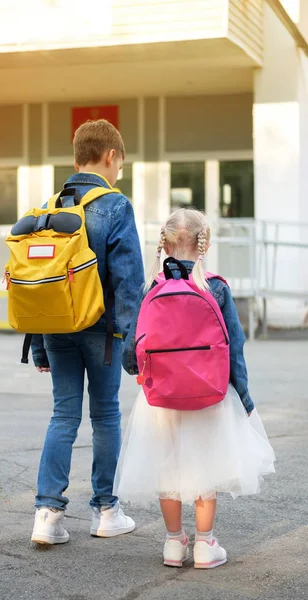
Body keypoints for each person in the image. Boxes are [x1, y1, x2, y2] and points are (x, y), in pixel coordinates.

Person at [116, 208, 275, 568]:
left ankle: (174, 542)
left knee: (166, 468)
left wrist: (135, 369)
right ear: (205, 243)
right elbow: (234, 348)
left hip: (161, 398)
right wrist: (245, 398)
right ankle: (205, 544)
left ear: (165, 243)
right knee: (205, 467)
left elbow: (131, 350)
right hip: (209, 396)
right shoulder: (215, 287)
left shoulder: (151, 288)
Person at [30, 119, 144, 545]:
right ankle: (106, 511)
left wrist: (40, 347)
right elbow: (129, 284)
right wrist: (136, 348)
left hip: (57, 328)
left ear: (77, 154)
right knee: (105, 416)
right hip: (102, 330)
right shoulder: (115, 205)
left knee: (63, 415)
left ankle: (47, 513)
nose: (118, 174)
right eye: (120, 165)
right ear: (110, 156)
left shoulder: (49, 206)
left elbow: (40, 283)